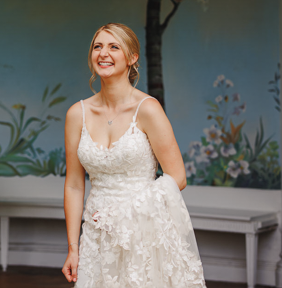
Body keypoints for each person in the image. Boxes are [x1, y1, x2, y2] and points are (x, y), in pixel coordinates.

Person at [61, 23, 205, 287]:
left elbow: (178, 177)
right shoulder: (76, 114)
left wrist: (121, 214)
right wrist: (73, 248)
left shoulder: (148, 109)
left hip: (143, 234)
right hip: (96, 235)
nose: (103, 53)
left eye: (113, 47)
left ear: (132, 57)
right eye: (97, 46)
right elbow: (73, 184)